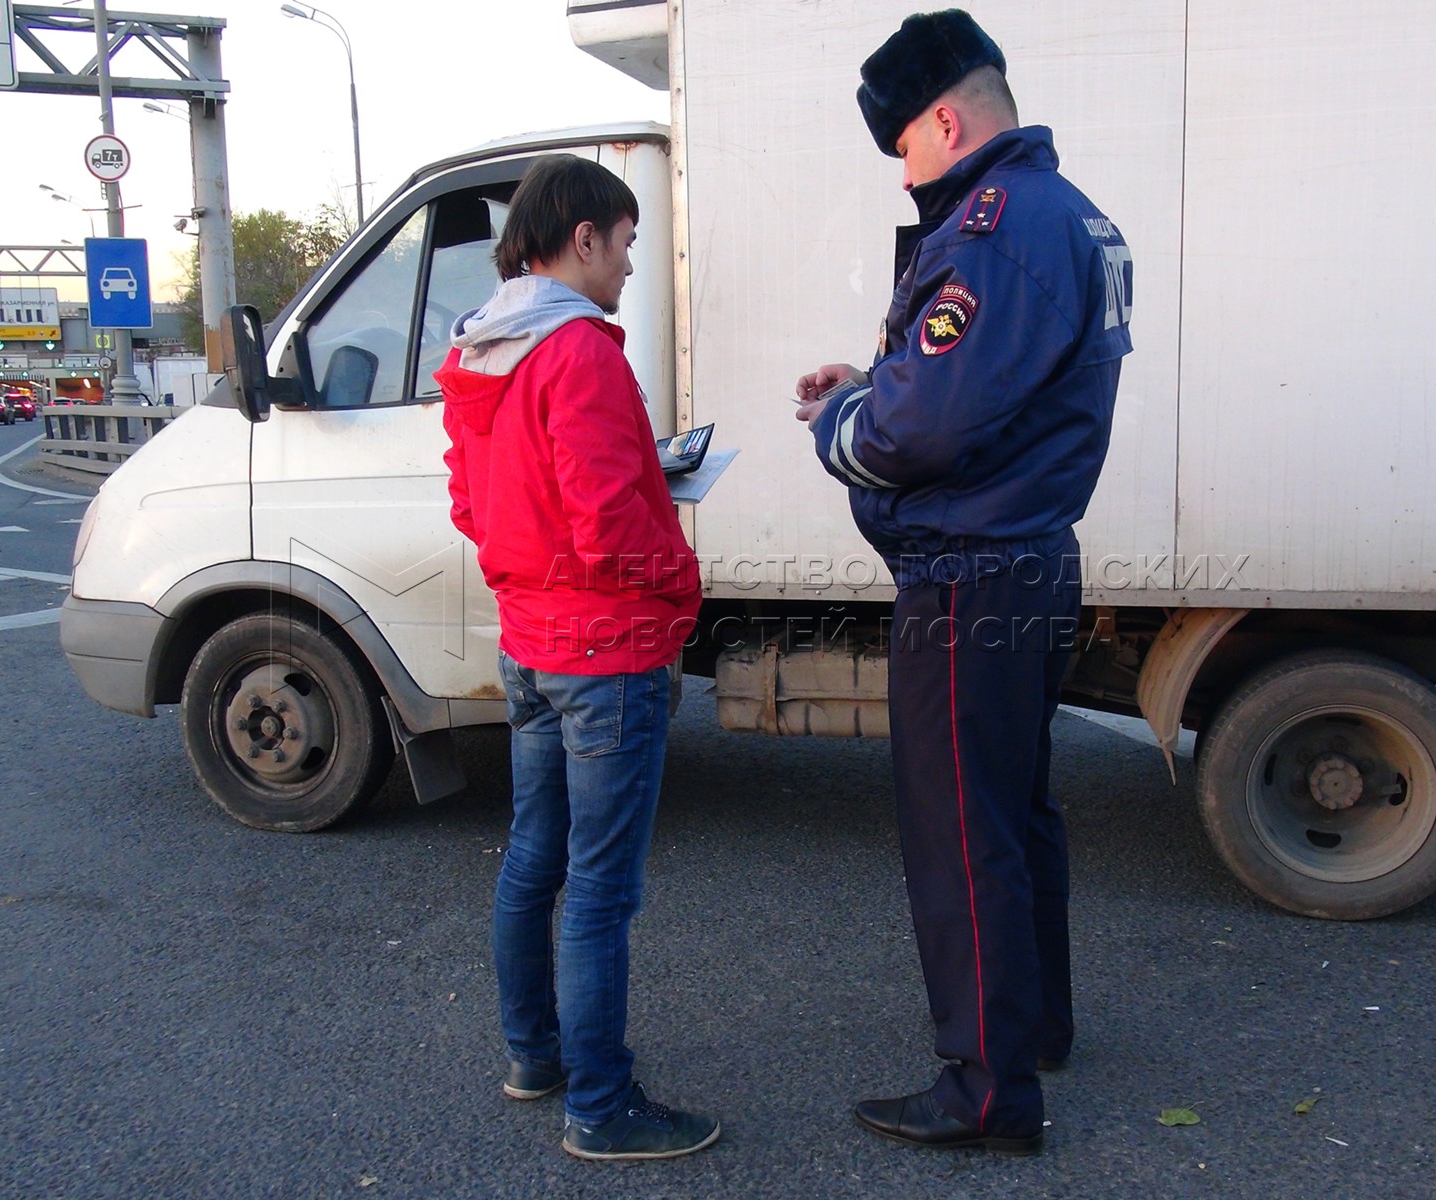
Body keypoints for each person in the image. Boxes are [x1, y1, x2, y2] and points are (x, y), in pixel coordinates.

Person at [793, 9, 1134, 1155]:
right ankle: (1033, 1027)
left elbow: (916, 431)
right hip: (1031, 562)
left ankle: (986, 1089)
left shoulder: (992, 229)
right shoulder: (1067, 213)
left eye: (904, 147)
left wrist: (841, 413)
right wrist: (881, 374)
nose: (907, 169)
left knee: (958, 828)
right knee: (1016, 808)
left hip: (968, 577)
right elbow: (980, 382)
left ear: (945, 118)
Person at [436, 155, 718, 1162]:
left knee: (533, 860)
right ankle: (601, 1109)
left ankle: (536, 1057)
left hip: (530, 643)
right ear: (583, 237)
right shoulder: (581, 355)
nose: (631, 265)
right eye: (627, 242)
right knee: (599, 890)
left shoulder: (477, 353)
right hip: (609, 649)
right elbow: (608, 525)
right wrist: (682, 589)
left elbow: (471, 504)